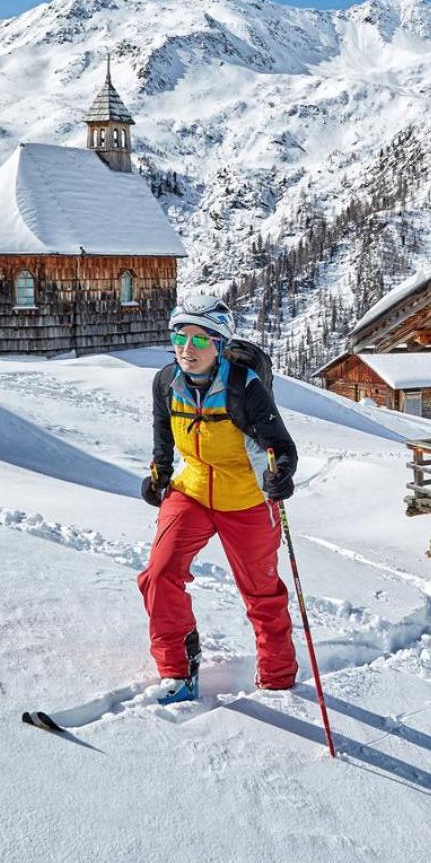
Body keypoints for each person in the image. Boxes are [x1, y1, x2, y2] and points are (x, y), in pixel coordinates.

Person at [136, 295, 299, 704]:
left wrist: (282, 477)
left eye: (200, 339)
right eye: (179, 336)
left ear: (220, 344)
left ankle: (278, 678)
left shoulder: (245, 387)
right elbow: (163, 432)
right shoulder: (165, 381)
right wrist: (160, 473)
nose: (187, 348)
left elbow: (280, 445)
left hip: (245, 498)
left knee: (261, 593)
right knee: (159, 575)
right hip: (190, 491)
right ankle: (177, 670)